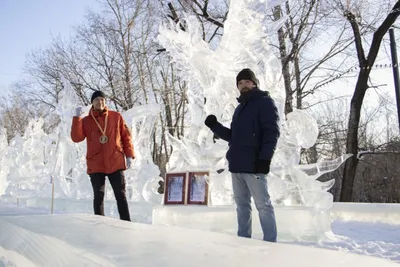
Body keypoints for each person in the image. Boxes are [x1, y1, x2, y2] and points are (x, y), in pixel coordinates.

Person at [204, 68, 280, 242]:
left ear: (254, 83)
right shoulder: (239, 109)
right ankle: (243, 241)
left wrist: (265, 159)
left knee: (263, 206)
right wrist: (215, 126)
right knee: (242, 206)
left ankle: (270, 243)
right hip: (237, 166)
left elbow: (272, 132)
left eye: (247, 81)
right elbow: (234, 137)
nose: (243, 85)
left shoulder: (265, 103)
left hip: (255, 166)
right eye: (240, 83)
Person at [71, 91, 134, 221]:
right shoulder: (87, 120)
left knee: (121, 195)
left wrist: (129, 155)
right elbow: (76, 138)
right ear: (92, 103)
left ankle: (127, 223)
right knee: (98, 196)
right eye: (97, 100)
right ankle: (100, 224)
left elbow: (126, 137)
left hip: (115, 161)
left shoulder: (116, 116)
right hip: (96, 163)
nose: (100, 102)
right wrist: (77, 118)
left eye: (102, 100)